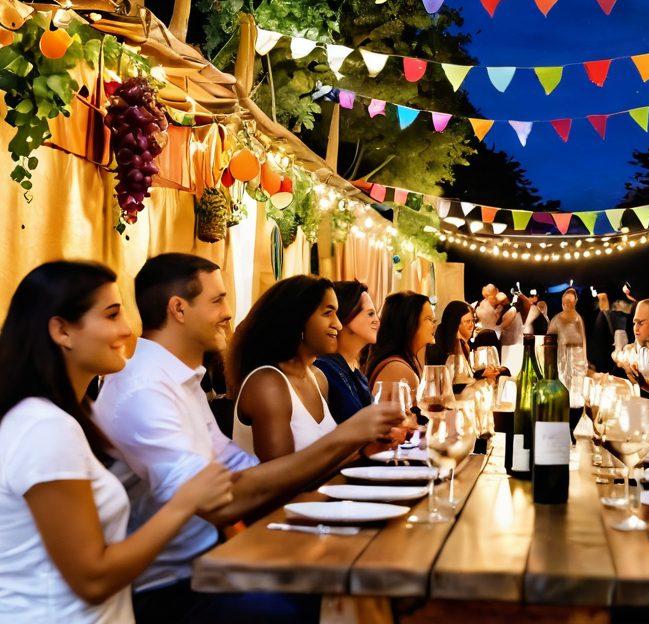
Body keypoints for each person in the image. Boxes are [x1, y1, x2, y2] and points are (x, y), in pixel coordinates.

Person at [93, 253, 401, 623]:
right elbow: (221, 502)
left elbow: (247, 472)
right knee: (335, 597)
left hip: (213, 562)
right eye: (218, 300)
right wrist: (348, 437)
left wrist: (359, 444)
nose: (229, 312)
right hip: (167, 588)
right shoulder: (144, 390)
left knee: (363, 585)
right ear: (178, 309)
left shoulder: (179, 379)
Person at [0, 261, 232, 623]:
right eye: (111, 316)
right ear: (62, 330)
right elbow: (93, 578)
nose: (127, 330)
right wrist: (184, 503)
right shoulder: (43, 427)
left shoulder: (66, 418)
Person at [228, 276, 340, 461]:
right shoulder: (267, 384)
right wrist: (352, 439)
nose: (338, 324)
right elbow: (280, 480)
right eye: (328, 313)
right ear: (298, 319)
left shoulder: (317, 378)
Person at [315, 282, 377, 425]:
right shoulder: (324, 369)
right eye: (370, 313)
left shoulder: (354, 371)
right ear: (348, 314)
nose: (377, 321)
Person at [365, 290, 436, 390]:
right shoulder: (398, 369)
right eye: (428, 319)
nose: (434, 325)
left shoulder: (403, 361)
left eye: (434, 320)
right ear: (408, 322)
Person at [425, 300, 473, 367]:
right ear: (456, 323)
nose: (472, 325)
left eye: (472, 321)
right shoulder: (438, 349)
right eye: (468, 321)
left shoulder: (464, 345)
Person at [548, 288, 587, 361]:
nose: (569, 303)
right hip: (562, 356)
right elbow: (549, 338)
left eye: (571, 301)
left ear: (575, 302)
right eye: (567, 301)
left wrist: (584, 359)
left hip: (577, 357)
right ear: (563, 302)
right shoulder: (557, 318)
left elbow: (583, 340)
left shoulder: (578, 318)